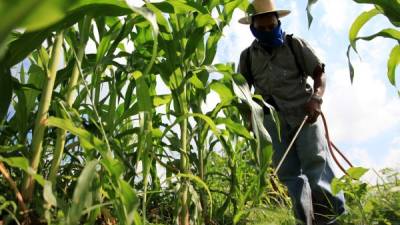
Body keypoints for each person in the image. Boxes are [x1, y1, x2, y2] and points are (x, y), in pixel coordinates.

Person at [237, 0, 345, 224]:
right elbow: (244, 91)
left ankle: (332, 219)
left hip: (305, 114)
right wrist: (250, 121)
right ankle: (305, 220)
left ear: (278, 22)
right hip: (271, 123)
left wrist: (316, 98)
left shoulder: (295, 45)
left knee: (316, 166)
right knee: (288, 176)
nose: (269, 31)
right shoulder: (247, 57)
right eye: (263, 28)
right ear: (254, 28)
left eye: (272, 26)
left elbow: (319, 73)